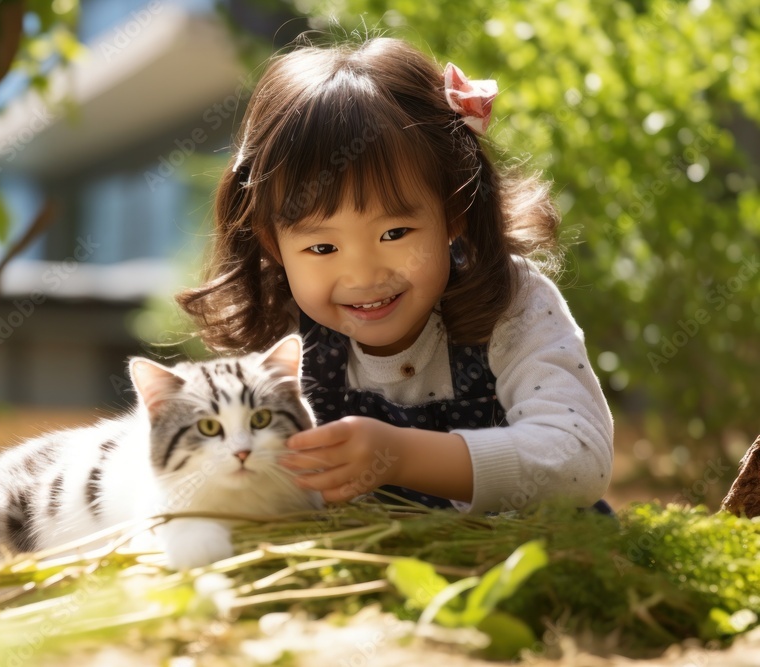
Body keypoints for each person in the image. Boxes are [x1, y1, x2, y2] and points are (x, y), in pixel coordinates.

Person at [176, 36, 613, 514]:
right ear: (272, 244)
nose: (363, 275)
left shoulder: (511, 303)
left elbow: (578, 459)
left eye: (395, 232)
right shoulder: (284, 337)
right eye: (322, 246)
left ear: (454, 212)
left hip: (528, 569)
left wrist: (400, 456)